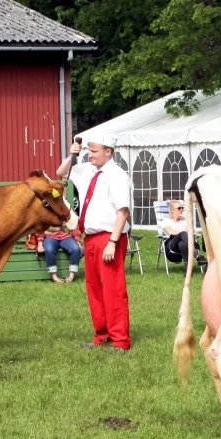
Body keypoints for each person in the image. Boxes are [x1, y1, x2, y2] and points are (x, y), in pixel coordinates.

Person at [56, 132, 132, 352]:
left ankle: (120, 340)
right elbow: (61, 173)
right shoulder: (89, 170)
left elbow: (123, 211)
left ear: (108, 152)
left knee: (113, 289)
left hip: (109, 236)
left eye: (94, 151)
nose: (90, 155)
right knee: (94, 289)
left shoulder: (117, 175)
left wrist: (113, 241)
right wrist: (71, 156)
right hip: (91, 237)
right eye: (88, 150)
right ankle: (101, 334)